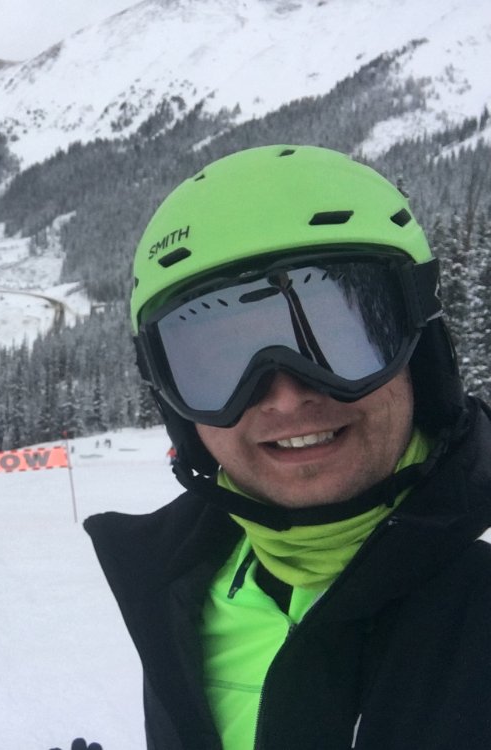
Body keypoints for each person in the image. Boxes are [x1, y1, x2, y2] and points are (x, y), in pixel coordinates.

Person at [84, 145, 491, 749]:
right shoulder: (182, 591)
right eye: (223, 362)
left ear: (421, 357)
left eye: (340, 336)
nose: (285, 396)